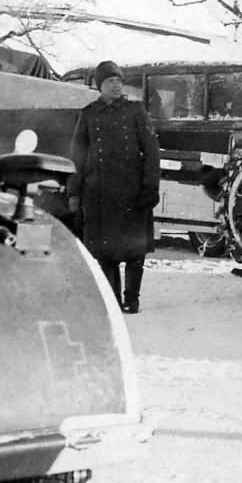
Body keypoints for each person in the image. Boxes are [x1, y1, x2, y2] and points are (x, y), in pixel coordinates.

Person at [67, 60, 160, 314]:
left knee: (134, 250)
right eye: (110, 82)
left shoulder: (136, 111)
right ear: (100, 86)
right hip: (98, 195)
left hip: (133, 193)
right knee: (104, 251)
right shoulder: (89, 114)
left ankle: (132, 299)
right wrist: (74, 192)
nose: (116, 86)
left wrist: (150, 187)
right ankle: (113, 300)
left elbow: (151, 152)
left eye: (119, 81)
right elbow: (77, 155)